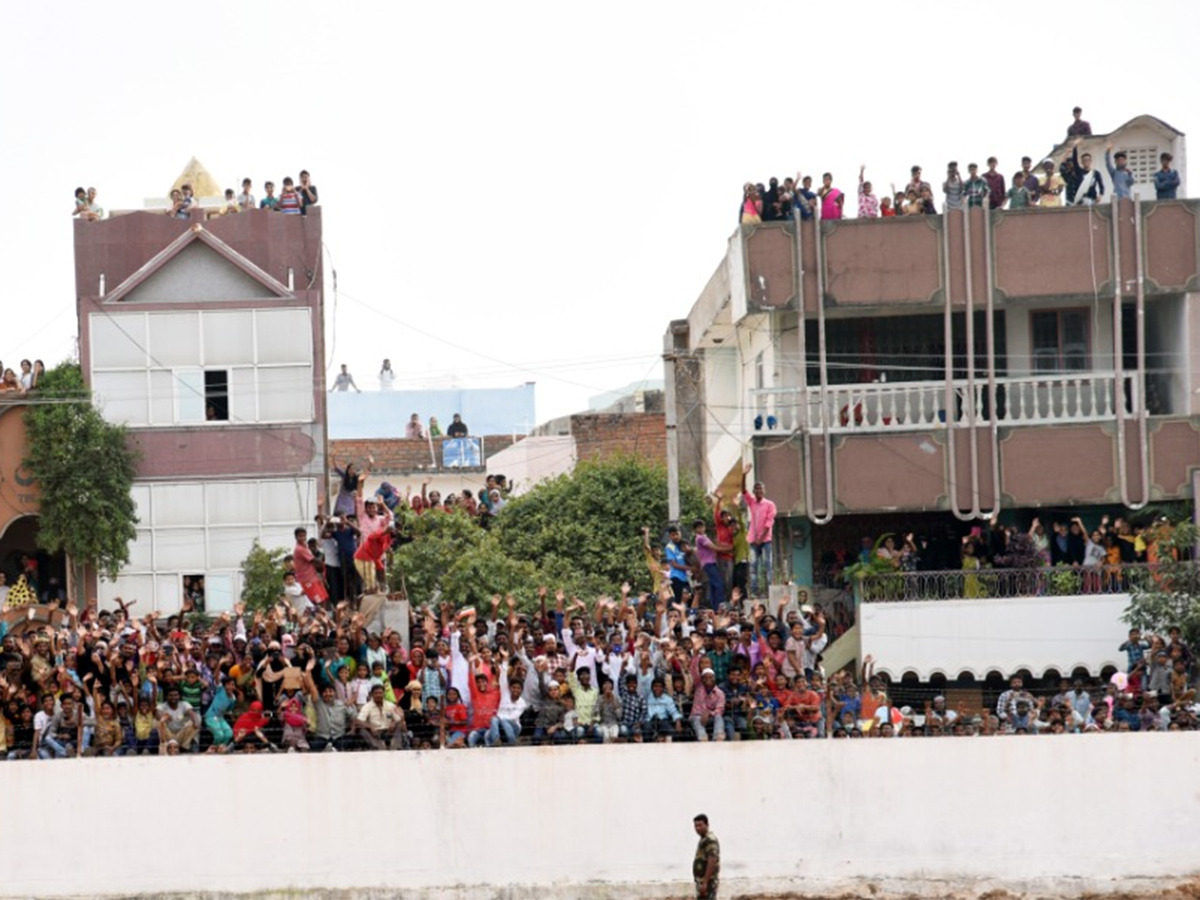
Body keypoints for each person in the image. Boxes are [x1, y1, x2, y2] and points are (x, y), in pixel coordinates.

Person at [742, 463, 777, 598]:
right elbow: (743, 490)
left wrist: (760, 539)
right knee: (753, 566)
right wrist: (744, 474)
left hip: (765, 539)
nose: (758, 492)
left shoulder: (770, 504)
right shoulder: (752, 502)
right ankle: (755, 592)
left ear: (764, 491)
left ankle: (769, 590)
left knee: (767, 565)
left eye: (760, 489)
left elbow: (769, 524)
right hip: (753, 539)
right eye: (756, 489)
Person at [693, 814, 721, 900]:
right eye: (696, 826)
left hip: (709, 882)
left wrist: (705, 882)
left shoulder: (710, 840)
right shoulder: (704, 839)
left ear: (707, 825)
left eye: (700, 825)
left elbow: (712, 859)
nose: (698, 828)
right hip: (702, 881)